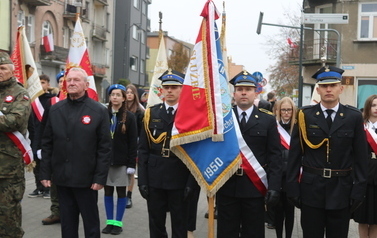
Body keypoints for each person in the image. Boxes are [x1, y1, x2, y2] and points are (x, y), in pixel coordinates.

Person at [286, 66, 368, 238]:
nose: (328, 89)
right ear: (318, 89)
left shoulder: (353, 116)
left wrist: (359, 190)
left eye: (333, 85)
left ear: (341, 88)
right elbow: (294, 155)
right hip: (311, 190)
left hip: (342, 190)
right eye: (324, 86)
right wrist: (292, 187)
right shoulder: (304, 115)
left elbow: (361, 158)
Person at [40, 67, 112, 238]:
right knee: (67, 224)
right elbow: (47, 143)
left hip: (87, 180)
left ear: (86, 85)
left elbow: (105, 148)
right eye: (69, 80)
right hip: (62, 179)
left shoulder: (98, 111)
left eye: (76, 80)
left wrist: (100, 177)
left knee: (91, 224)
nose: (71, 83)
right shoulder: (56, 110)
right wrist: (45, 172)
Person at [216, 70, 282, 238]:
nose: (244, 92)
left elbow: (275, 156)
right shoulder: (222, 119)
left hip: (254, 188)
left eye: (248, 89)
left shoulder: (267, 120)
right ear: (234, 93)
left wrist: (274, 186)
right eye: (240, 89)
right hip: (226, 186)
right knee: (226, 233)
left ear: (256, 92)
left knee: (253, 233)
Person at [138, 69, 196, 238]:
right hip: (155, 176)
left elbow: (195, 152)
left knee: (180, 224)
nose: (170, 90)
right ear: (161, 89)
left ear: (182, 90)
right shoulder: (151, 113)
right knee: (156, 224)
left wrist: (191, 184)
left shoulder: (190, 115)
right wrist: (142, 180)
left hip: (180, 176)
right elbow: (143, 150)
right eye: (166, 87)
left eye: (174, 87)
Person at [0, 52, 31, 237]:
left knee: (8, 215)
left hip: (9, 167)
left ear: (12, 71)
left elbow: (16, 121)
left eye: (3, 68)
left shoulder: (20, 93)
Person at [101, 84, 138, 235]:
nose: (115, 97)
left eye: (118, 95)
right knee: (108, 191)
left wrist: (131, 164)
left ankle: (118, 222)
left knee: (121, 192)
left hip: (122, 162)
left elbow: (132, 142)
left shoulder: (129, 117)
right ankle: (109, 221)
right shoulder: (104, 114)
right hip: (106, 161)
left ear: (123, 98)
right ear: (109, 97)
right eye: (112, 94)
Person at [41, 71, 64, 225]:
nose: (64, 83)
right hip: (56, 150)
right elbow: (44, 128)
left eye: (66, 80)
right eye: (61, 81)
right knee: (55, 181)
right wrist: (38, 147)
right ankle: (56, 211)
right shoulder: (52, 102)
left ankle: (71, 211)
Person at [28, 74, 56, 199]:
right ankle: (38, 187)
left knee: (46, 161)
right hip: (34, 136)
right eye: (38, 83)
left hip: (47, 135)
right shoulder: (32, 100)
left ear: (48, 84)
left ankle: (47, 188)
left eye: (43, 82)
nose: (41, 85)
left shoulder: (52, 100)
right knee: (35, 163)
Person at [353, 94, 377, 238]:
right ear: (368, 107)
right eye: (373, 105)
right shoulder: (361, 127)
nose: (376, 109)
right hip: (364, 176)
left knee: (375, 219)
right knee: (362, 218)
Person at [273, 97, 296, 238]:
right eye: (283, 110)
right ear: (278, 111)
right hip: (278, 174)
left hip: (292, 175)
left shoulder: (298, 128)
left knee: (290, 210)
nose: (286, 113)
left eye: (289, 110)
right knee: (277, 210)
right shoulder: (274, 127)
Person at [124, 84, 145, 208]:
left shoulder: (139, 111)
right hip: (122, 144)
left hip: (135, 143)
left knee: (131, 170)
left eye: (132, 92)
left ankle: (129, 195)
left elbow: (142, 131)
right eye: (127, 92)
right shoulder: (121, 108)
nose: (129, 94)